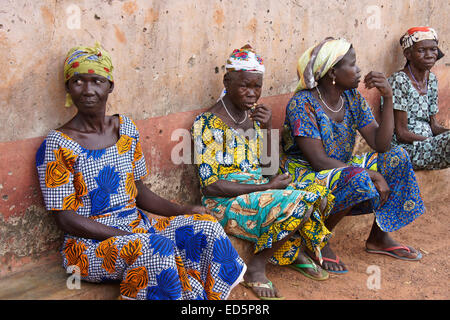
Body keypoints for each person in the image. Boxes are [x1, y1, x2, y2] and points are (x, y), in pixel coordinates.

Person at [35, 42, 246, 300]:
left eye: (97, 81)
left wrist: (183, 210)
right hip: (87, 246)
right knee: (155, 247)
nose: (88, 90)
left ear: (110, 85)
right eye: (78, 81)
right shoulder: (58, 144)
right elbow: (65, 219)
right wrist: (128, 235)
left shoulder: (126, 129)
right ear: (68, 87)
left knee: (206, 226)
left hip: (138, 228)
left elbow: (139, 191)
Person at [191, 45, 334, 300]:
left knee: (319, 192)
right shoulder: (206, 124)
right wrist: (266, 188)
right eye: (245, 85)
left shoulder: (255, 118)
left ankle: (289, 249)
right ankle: (255, 267)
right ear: (227, 81)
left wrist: (268, 130)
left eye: (257, 86)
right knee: (300, 203)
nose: (252, 93)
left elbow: (270, 171)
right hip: (225, 202)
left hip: (261, 191)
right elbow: (210, 187)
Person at [280, 37, 425, 274]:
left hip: (340, 167)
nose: (359, 70)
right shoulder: (302, 103)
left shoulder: (352, 98)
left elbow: (382, 144)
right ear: (332, 72)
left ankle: (379, 237)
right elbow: (318, 160)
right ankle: (318, 239)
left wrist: (388, 97)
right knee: (358, 177)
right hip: (304, 173)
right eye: (352, 64)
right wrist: (369, 173)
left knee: (397, 157)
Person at [388, 26, 449, 170]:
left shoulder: (432, 80)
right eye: (421, 50)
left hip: (431, 147)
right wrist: (434, 142)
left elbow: (434, 125)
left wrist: (443, 137)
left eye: (433, 49)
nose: (429, 55)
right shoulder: (399, 81)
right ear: (408, 54)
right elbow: (401, 133)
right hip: (407, 150)